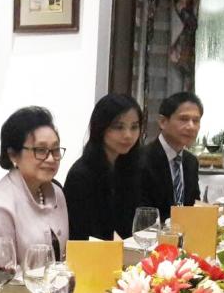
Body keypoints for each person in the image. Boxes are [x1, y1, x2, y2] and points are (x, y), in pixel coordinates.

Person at [0, 107, 68, 282]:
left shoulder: (57, 194)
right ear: (13, 155)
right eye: (41, 150)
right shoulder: (0, 206)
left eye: (55, 150)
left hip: (48, 291)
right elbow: (2, 276)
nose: (51, 159)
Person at [64, 94, 144, 240]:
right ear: (101, 128)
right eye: (119, 127)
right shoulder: (81, 175)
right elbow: (83, 234)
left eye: (134, 127)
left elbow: (131, 226)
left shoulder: (130, 167)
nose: (128, 135)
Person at [139, 91, 202, 222]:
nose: (191, 126)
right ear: (163, 122)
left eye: (196, 121)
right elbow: (142, 215)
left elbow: (194, 206)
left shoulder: (191, 162)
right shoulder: (141, 160)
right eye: (184, 119)